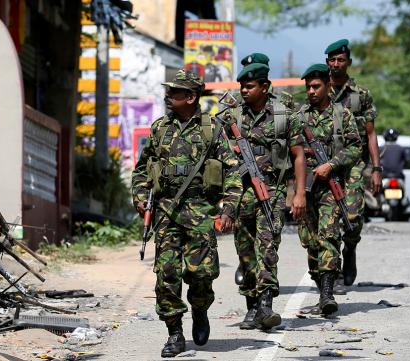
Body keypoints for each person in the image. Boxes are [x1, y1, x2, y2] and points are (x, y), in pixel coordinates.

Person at [131, 70, 242, 357]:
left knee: (202, 273)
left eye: (175, 92)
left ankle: (200, 308)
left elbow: (232, 171)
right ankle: (174, 332)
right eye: (169, 92)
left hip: (200, 211)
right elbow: (142, 169)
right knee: (166, 274)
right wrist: (141, 197)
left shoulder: (212, 129)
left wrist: (228, 208)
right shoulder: (159, 129)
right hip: (166, 212)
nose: (169, 97)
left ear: (191, 97)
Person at [219, 61, 307, 330]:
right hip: (240, 193)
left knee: (268, 248)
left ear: (265, 87)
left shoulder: (283, 116)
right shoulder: (232, 117)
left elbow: (298, 155)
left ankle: (266, 305)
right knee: (245, 253)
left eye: (250, 86)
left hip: (272, 191)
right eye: (242, 87)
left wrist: (299, 192)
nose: (244, 91)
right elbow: (217, 150)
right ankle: (251, 306)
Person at [296, 64, 362, 315]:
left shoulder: (341, 115)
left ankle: (327, 293)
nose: (311, 91)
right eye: (308, 87)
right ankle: (319, 283)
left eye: (316, 86)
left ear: (327, 86)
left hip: (330, 188)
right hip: (305, 187)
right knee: (310, 241)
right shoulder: (299, 117)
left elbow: (356, 148)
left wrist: (332, 164)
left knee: (329, 236)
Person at [325, 39, 382, 287]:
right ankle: (335, 272)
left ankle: (350, 249)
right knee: (328, 219)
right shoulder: (317, 89)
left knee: (353, 216)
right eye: (332, 60)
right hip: (325, 162)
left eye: (341, 60)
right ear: (327, 61)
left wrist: (377, 169)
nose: (336, 64)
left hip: (354, 165)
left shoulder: (360, 96)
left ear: (348, 62)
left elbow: (370, 133)